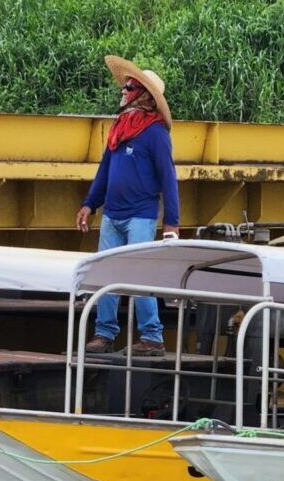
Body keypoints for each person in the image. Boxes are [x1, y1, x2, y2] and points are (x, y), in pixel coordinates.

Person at [76, 55, 179, 355]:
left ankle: (152, 336)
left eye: (130, 87)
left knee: (138, 274)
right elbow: (105, 170)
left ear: (145, 97)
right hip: (113, 214)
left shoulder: (156, 133)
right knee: (106, 273)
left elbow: (168, 178)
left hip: (140, 216)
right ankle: (104, 333)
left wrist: (171, 222)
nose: (123, 90)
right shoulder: (120, 129)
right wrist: (90, 203)